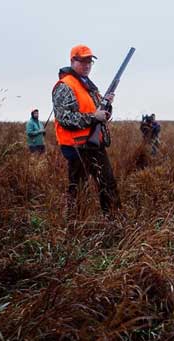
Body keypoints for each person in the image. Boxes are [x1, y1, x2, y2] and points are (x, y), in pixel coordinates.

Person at [52, 44, 120, 217]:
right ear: (72, 61)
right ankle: (74, 226)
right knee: (78, 189)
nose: (87, 65)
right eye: (82, 61)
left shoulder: (89, 86)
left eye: (89, 61)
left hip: (94, 144)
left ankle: (114, 220)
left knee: (108, 184)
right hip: (76, 147)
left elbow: (100, 113)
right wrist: (93, 117)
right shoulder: (65, 86)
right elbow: (65, 118)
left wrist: (107, 105)